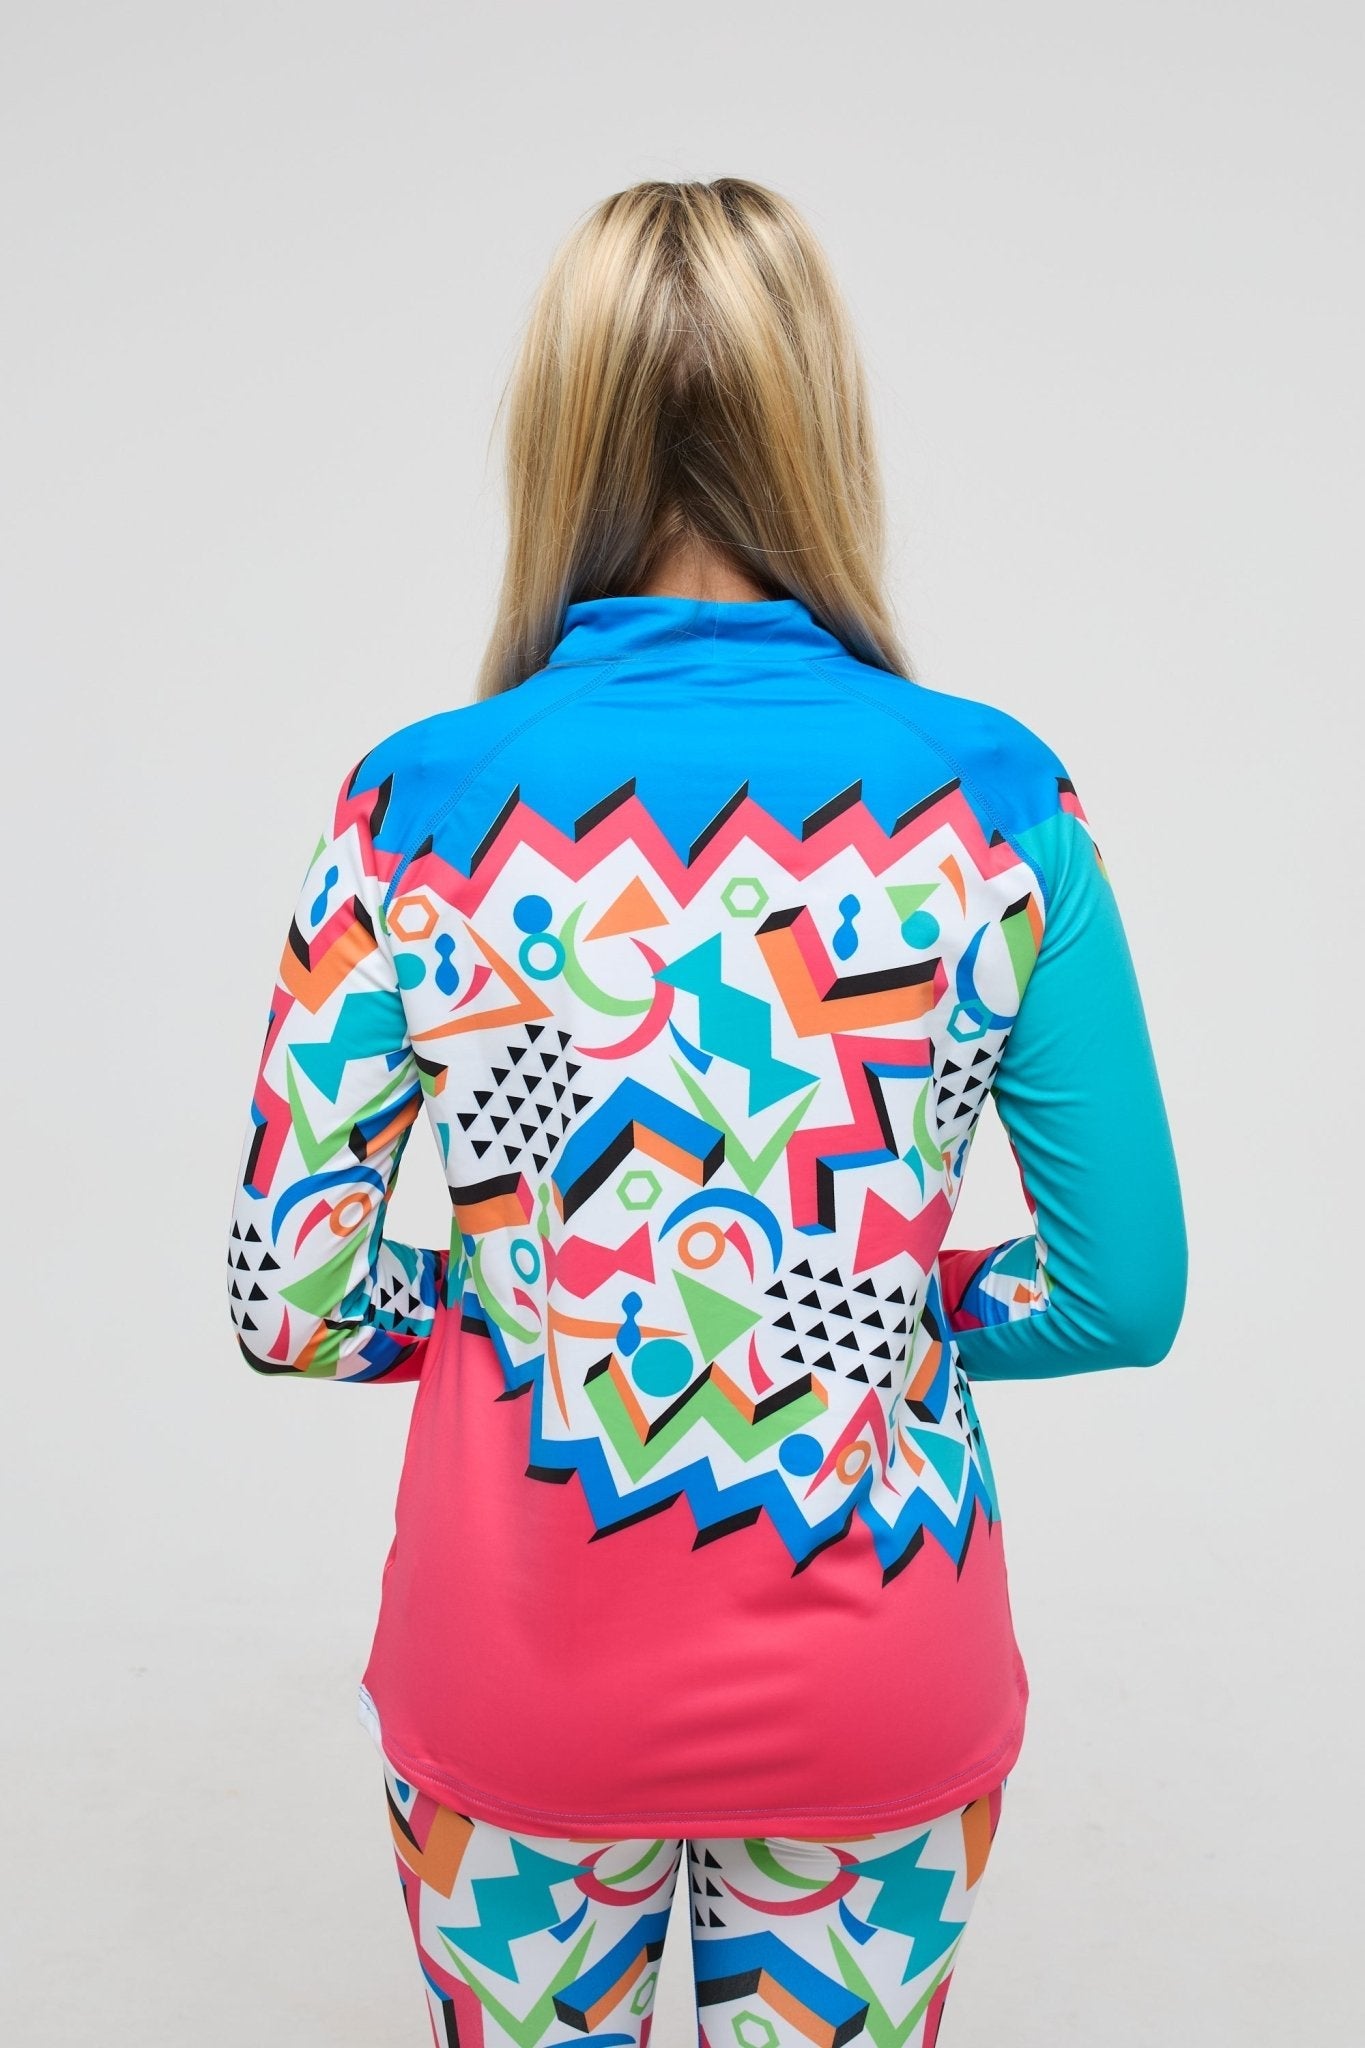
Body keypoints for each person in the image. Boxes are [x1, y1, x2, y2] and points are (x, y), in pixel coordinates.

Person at [226, 176, 1187, 2046]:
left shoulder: (406, 810)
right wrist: (858, 1307)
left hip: (513, 1686)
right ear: (821, 429)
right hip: (884, 1675)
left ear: (554, 435)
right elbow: (1119, 1293)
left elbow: (294, 1301)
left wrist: (550, 1298)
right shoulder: (1002, 801)